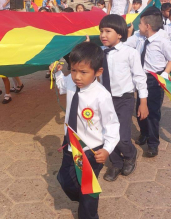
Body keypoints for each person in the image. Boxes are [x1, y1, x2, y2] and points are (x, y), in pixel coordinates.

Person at [51, 41, 120, 219]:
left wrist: (107, 149)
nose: (77, 77)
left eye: (83, 72)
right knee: (65, 180)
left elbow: (112, 125)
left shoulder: (101, 95)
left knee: (88, 190)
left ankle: (88, 215)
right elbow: (61, 86)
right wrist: (58, 71)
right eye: (73, 70)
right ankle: (82, 197)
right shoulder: (71, 82)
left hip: (91, 150)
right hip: (69, 145)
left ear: (98, 72)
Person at [98, 15, 148, 182]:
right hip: (104, 99)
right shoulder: (98, 52)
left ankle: (130, 154)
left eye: (107, 31)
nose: (103, 35)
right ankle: (116, 163)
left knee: (122, 136)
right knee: (105, 135)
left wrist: (143, 102)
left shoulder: (130, 53)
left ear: (119, 34)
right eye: (101, 31)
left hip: (124, 100)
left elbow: (140, 78)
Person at [124, 7, 171, 157]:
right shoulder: (139, 36)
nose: (138, 27)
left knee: (153, 112)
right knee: (140, 107)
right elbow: (125, 45)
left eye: (140, 24)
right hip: (140, 77)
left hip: (155, 79)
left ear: (148, 26)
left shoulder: (163, 41)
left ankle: (153, 143)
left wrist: (165, 74)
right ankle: (144, 133)